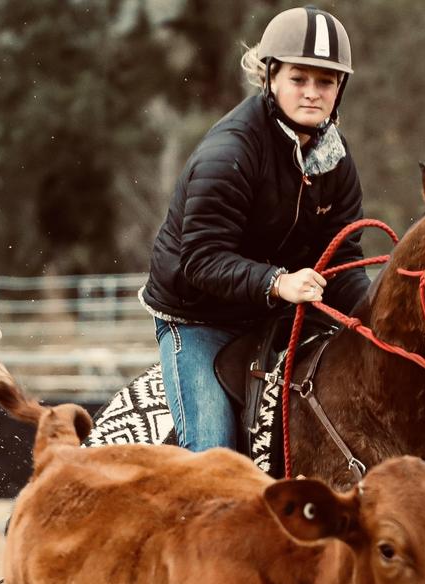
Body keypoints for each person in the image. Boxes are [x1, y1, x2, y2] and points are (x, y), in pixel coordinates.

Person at [139, 7, 370, 451]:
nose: (312, 93)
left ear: (340, 88)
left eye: (326, 81)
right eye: (299, 79)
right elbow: (201, 262)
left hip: (275, 312)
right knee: (213, 450)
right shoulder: (229, 153)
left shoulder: (337, 159)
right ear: (271, 78)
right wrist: (278, 283)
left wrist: (376, 319)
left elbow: (342, 259)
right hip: (198, 317)